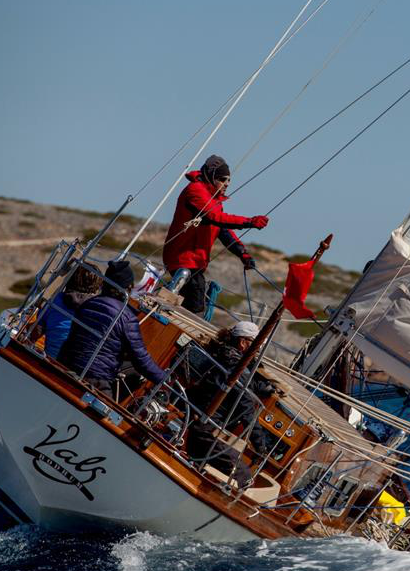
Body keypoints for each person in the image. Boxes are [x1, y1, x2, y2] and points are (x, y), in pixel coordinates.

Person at [162, 155, 269, 315]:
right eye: (223, 179)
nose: (227, 183)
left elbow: (222, 229)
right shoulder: (195, 191)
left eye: (229, 180)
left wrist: (242, 254)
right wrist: (249, 222)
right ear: (211, 177)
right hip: (182, 258)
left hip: (195, 261)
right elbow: (214, 218)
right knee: (195, 304)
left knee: (195, 303)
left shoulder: (214, 200)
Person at [184, 321, 279, 487]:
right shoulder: (236, 369)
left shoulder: (222, 354)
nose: (258, 352)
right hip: (206, 430)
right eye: (256, 346)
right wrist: (260, 447)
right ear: (243, 343)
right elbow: (247, 409)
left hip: (195, 416)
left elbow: (243, 383)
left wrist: (263, 387)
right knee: (244, 476)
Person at [58, 260, 168, 396]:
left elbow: (72, 338)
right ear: (128, 288)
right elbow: (141, 359)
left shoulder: (87, 305)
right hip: (96, 379)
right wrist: (164, 380)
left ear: (105, 283)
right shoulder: (127, 318)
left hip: (66, 367)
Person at [34, 263, 102, 358]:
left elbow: (36, 331)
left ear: (70, 279)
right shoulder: (98, 308)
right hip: (76, 367)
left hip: (50, 360)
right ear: (96, 286)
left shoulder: (56, 300)